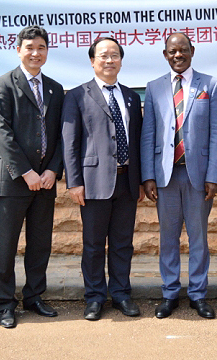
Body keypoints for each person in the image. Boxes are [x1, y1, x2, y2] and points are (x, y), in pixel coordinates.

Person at [140, 32, 217, 319]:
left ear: (192, 51)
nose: (178, 55)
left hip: (198, 177)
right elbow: (148, 133)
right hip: (165, 176)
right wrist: (148, 176)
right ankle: (170, 293)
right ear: (165, 54)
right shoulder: (154, 87)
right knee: (168, 238)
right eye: (172, 51)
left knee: (199, 237)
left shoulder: (210, 85)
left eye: (183, 50)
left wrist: (214, 175)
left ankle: (199, 295)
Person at [62, 37, 144, 321]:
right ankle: (95, 297)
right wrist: (73, 181)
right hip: (93, 181)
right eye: (103, 56)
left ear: (121, 60)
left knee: (123, 243)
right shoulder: (76, 95)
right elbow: (70, 142)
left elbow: (138, 141)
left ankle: (121, 293)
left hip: (127, 181)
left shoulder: (132, 97)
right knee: (94, 243)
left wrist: (142, 180)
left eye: (114, 55)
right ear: (92, 60)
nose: (109, 61)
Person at [0, 25, 64, 328]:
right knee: (5, 245)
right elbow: (1, 131)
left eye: (41, 48)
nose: (35, 53)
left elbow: (61, 134)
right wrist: (26, 171)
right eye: (30, 47)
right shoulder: (3, 83)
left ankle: (34, 297)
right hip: (13, 181)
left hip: (45, 181)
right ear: (18, 49)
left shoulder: (55, 89)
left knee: (40, 243)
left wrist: (51, 170)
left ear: (47, 52)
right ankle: (5, 303)